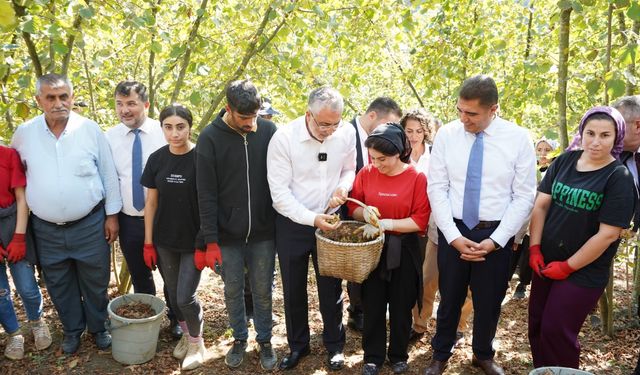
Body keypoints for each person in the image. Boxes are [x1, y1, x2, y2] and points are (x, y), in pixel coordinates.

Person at [425, 75, 536, 375]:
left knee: (489, 301)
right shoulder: (447, 135)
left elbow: (524, 195)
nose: (464, 119)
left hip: (496, 232)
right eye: (460, 110)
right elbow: (437, 188)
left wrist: (497, 240)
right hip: (454, 229)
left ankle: (483, 354)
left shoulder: (519, 139)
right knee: (449, 298)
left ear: (493, 109)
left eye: (471, 113)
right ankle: (440, 353)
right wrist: (452, 235)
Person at [11, 73, 122, 354]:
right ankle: (73, 331)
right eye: (51, 97)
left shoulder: (90, 129)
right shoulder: (24, 134)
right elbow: (16, 180)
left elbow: (108, 175)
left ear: (72, 98)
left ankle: (99, 328)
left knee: (96, 281)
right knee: (59, 284)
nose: (58, 103)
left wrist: (112, 216)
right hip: (45, 227)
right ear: (39, 101)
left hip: (90, 223)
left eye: (64, 97)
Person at [528, 106, 635, 369]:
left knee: (557, 330)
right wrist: (534, 249)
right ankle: (544, 372)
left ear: (616, 138)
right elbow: (541, 205)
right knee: (538, 324)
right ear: (581, 132)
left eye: (605, 135)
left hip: (584, 270)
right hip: (546, 260)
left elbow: (607, 234)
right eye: (590, 133)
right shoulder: (564, 162)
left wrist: (568, 266)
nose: (596, 142)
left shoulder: (618, 178)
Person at [267, 87, 356, 371]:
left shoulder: (346, 134)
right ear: (308, 115)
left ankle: (335, 346)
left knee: (331, 287)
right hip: (292, 223)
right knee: (293, 288)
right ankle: (298, 346)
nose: (330, 130)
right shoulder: (283, 138)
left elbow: (349, 169)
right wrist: (311, 218)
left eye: (336, 123)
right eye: (324, 124)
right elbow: (279, 195)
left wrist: (343, 187)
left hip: (331, 221)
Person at [197, 80, 279, 370]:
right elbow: (205, 194)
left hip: (264, 232)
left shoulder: (269, 131)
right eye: (244, 118)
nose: (251, 123)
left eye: (255, 116)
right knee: (232, 289)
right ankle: (240, 339)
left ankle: (266, 340)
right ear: (229, 110)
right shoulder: (209, 138)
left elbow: (280, 181)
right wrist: (209, 241)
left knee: (263, 289)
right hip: (227, 235)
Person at [348, 123, 430, 375]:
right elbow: (353, 207)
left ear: (398, 153)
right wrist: (365, 212)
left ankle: (397, 355)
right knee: (372, 303)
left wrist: (389, 223)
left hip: (403, 249)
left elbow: (420, 220)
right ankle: (372, 356)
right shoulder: (366, 173)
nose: (377, 163)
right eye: (373, 158)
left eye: (382, 158)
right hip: (372, 248)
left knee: (401, 304)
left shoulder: (416, 177)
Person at [104, 81, 181, 339]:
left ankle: (177, 318)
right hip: (129, 220)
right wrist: (112, 216)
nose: (125, 110)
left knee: (172, 274)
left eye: (131, 104)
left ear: (146, 104)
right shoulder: (109, 138)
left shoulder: (165, 133)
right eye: (119, 104)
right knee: (140, 274)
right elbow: (110, 180)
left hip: (165, 220)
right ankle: (149, 322)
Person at [141, 104, 205, 370]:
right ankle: (187, 333)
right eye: (168, 127)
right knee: (171, 291)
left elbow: (210, 203)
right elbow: (151, 203)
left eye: (180, 127)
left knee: (185, 297)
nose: (175, 133)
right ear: (162, 128)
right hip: (165, 239)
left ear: (190, 126)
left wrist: (208, 242)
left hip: (194, 240)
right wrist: (148, 242)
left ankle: (196, 343)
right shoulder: (157, 159)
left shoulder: (202, 157)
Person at [402, 110, 473, 343]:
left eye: (419, 131)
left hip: (443, 223)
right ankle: (420, 323)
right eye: (409, 130)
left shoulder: (436, 154)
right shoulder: (399, 156)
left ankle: (459, 326)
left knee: (461, 281)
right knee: (425, 278)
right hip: (415, 226)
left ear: (427, 132)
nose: (413, 136)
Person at [346, 97, 402, 333]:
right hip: (352, 204)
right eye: (387, 123)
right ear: (372, 116)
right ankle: (356, 309)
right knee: (356, 269)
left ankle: (367, 310)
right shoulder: (344, 132)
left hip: (381, 208)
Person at [0, 145, 52, 359]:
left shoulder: (8, 155)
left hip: (14, 223)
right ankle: (14, 334)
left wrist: (19, 237)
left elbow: (22, 198)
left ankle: (37, 322)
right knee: (0, 293)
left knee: (27, 286)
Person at [509, 137, 560, 300]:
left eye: (547, 150)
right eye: (539, 149)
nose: (543, 153)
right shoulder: (529, 169)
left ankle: (524, 284)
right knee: (516, 251)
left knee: (530, 252)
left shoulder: (557, 172)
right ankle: (509, 281)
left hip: (543, 221)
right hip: (523, 218)